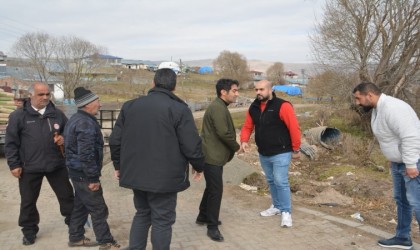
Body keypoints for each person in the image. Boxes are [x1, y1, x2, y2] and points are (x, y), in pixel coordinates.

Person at [109, 68, 204, 250]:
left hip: (136, 174)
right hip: (164, 178)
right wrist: (199, 166)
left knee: (142, 213)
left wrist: (118, 165)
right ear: (174, 87)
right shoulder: (179, 109)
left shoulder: (130, 106)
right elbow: (191, 144)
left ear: (153, 83)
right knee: (162, 220)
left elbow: (115, 140)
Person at [4, 82, 74, 245]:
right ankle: (29, 231)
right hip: (29, 166)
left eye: (47, 94)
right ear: (31, 95)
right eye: (40, 94)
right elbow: (11, 143)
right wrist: (14, 165)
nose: (45, 97)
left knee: (67, 196)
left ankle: (74, 223)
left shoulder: (56, 114)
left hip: (56, 165)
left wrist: (63, 138)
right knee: (28, 201)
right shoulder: (18, 116)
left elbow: (68, 131)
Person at [353, 82, 420, 250]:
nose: (357, 103)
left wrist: (411, 163)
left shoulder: (393, 108)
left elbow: (411, 136)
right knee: (402, 200)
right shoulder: (378, 109)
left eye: (358, 98)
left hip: (412, 162)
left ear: (369, 95)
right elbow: (390, 137)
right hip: (399, 163)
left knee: (417, 202)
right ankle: (403, 238)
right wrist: (393, 157)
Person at [64, 87, 120, 249]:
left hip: (77, 173)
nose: (100, 105)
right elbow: (86, 154)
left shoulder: (75, 119)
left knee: (81, 206)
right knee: (98, 209)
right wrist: (93, 178)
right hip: (84, 175)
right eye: (97, 101)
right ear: (88, 105)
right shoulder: (84, 123)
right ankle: (106, 241)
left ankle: (75, 237)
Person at [240, 80, 301, 228]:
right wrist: (244, 140)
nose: (258, 92)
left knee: (281, 181)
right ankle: (277, 206)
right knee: (271, 181)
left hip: (281, 151)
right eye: (256, 90)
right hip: (263, 152)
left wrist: (296, 148)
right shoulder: (253, 107)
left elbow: (294, 127)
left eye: (261, 89)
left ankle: (286, 212)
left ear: (270, 90)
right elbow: (248, 126)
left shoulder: (283, 106)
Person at [195, 78, 240, 242]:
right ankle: (212, 227)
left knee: (211, 187)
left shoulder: (219, 106)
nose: (237, 94)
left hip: (213, 156)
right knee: (216, 190)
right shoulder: (218, 108)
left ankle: (203, 215)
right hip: (211, 156)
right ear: (223, 92)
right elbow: (223, 132)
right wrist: (237, 146)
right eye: (234, 91)